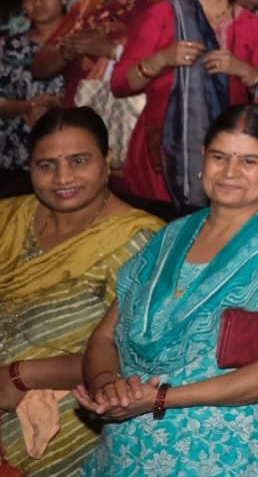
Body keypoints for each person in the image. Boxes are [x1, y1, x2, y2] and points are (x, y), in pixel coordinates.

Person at [75, 104, 258, 476]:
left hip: (221, 453)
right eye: (219, 156)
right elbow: (104, 336)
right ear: (203, 157)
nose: (230, 172)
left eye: (249, 161)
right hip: (124, 450)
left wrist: (162, 398)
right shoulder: (171, 236)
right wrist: (107, 384)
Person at [0, 109, 163, 474]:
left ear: (108, 161)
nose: (62, 178)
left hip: (72, 416)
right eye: (46, 165)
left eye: (79, 161)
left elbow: (137, 355)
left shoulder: (142, 243)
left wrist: (19, 375)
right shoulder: (8, 219)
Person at [113, 0, 258, 208]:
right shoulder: (163, 15)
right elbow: (119, 84)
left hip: (229, 159)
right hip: (162, 155)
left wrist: (242, 70)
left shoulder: (251, 25)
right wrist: (162, 58)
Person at [30, 0, 155, 169]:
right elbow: (39, 67)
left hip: (135, 121)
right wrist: (70, 51)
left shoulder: (159, 8)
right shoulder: (87, 7)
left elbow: (163, 65)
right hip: (79, 121)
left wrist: (110, 50)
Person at [0, 0, 67, 175]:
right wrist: (28, 107)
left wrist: (59, 104)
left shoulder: (81, 42)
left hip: (71, 145)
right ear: (23, 7)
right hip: (19, 151)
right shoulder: (9, 47)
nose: (38, 3)